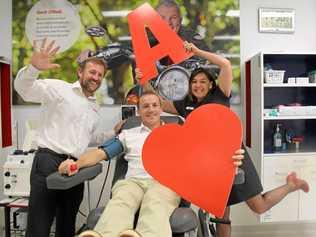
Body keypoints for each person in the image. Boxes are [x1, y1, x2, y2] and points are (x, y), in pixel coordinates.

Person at [137, 42, 310, 237]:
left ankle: (291, 185)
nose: (198, 85)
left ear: (211, 84)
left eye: (203, 81)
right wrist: (143, 81)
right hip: (211, 165)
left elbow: (226, 65)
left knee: (259, 206)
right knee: (221, 214)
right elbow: (157, 103)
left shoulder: (220, 95)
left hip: (235, 158)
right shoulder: (185, 104)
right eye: (194, 82)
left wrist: (197, 51)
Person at [58, 91, 245, 237]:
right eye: (145, 106)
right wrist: (76, 164)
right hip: (133, 182)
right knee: (121, 200)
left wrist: (230, 160)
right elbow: (100, 153)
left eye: (155, 105)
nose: (151, 109)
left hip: (165, 183)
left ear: (160, 108)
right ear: (139, 111)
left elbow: (204, 156)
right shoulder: (128, 135)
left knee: (155, 201)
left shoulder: (176, 133)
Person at [14, 39, 124, 237]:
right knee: (39, 228)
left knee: (67, 227)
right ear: (80, 72)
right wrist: (33, 68)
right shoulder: (59, 89)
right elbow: (24, 89)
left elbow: (86, 137)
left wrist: (112, 134)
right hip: (48, 161)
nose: (96, 78)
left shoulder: (94, 106)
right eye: (92, 72)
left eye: (100, 75)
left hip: (75, 166)